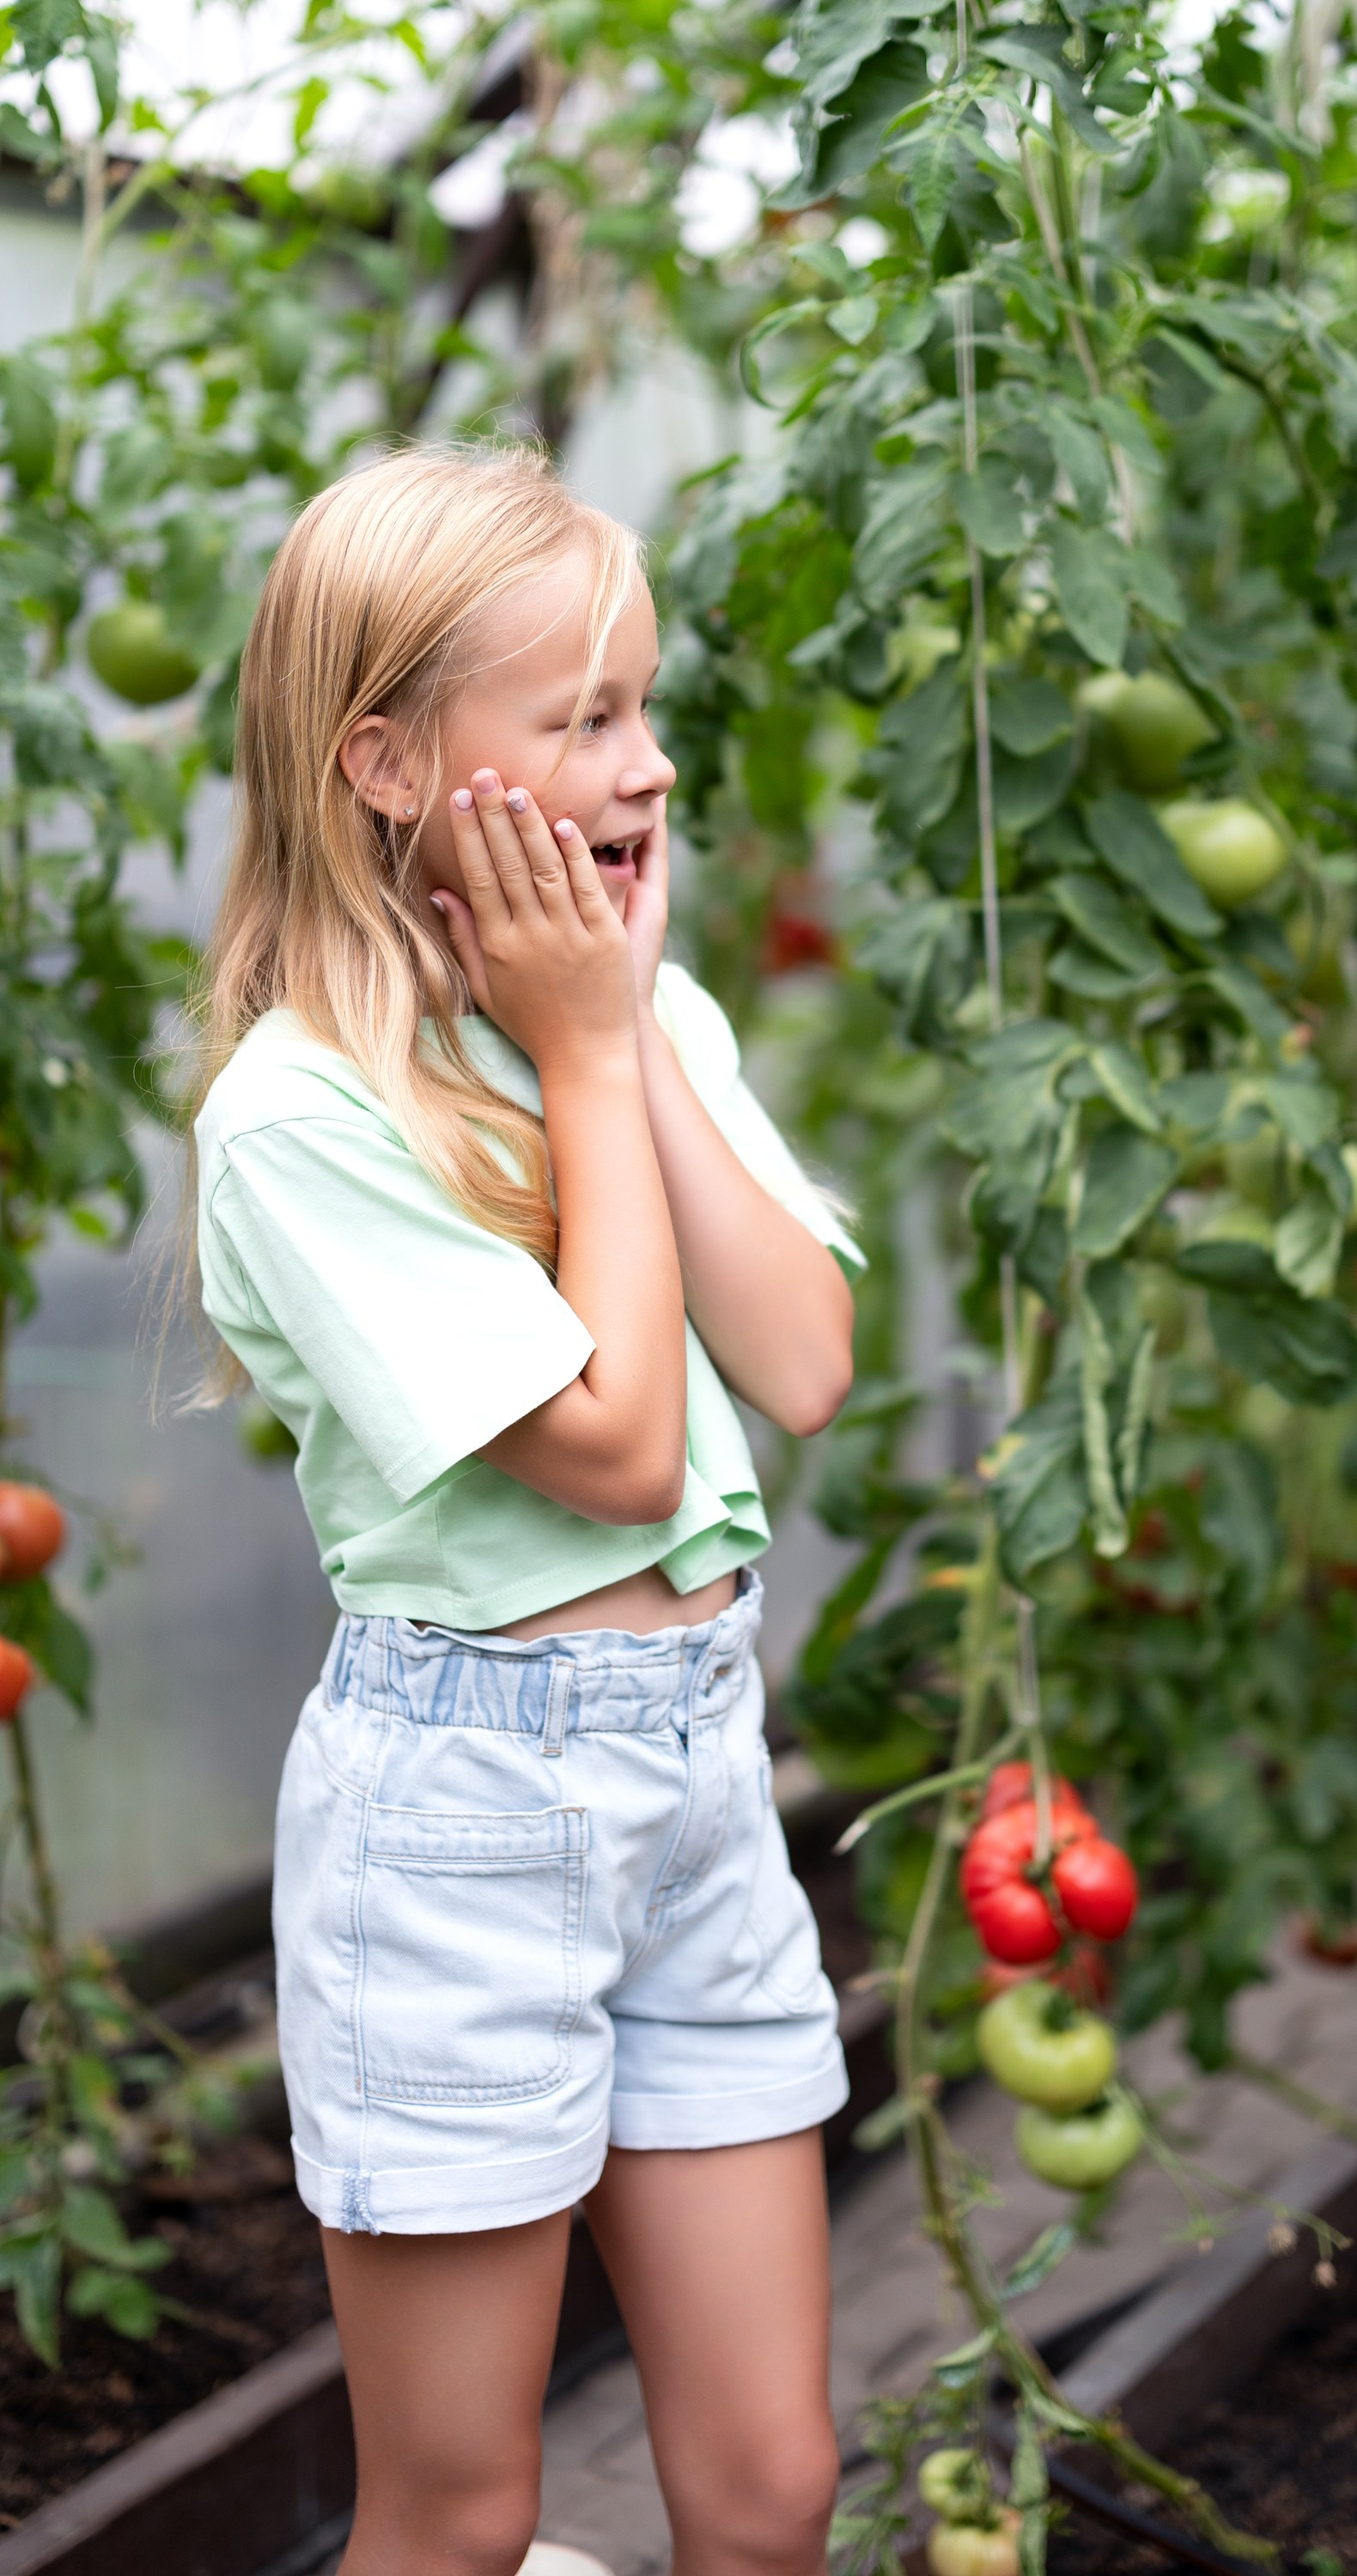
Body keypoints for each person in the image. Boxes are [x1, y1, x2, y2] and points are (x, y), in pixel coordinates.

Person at [187, 447, 858, 2576]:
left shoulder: (638, 1018)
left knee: (773, 2488)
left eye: (642, 705)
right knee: (462, 2511)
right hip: (461, 1825)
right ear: (385, 758)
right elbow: (619, 1454)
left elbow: (811, 1358)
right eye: (579, 719)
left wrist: (628, 1033)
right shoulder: (299, 1111)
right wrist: (583, 1051)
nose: (645, 763)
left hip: (693, 1783)